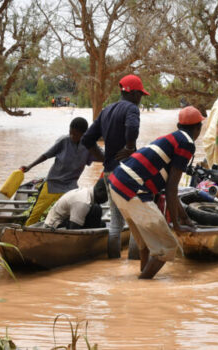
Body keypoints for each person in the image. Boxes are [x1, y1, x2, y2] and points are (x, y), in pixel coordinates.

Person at [108, 106, 204, 279]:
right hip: (133, 188)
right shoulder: (187, 143)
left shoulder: (170, 138)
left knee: (146, 243)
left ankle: (143, 290)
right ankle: (141, 285)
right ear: (198, 128)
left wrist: (184, 218)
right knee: (167, 246)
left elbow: (169, 189)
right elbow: (172, 188)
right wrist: (176, 224)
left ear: (178, 125)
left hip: (117, 184)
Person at [81, 74, 147, 259]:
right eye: (140, 94)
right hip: (128, 171)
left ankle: (113, 264)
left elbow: (87, 139)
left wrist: (102, 157)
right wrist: (130, 147)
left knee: (115, 222)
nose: (141, 98)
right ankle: (134, 264)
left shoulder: (106, 110)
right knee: (135, 221)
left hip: (110, 172)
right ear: (133, 93)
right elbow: (132, 128)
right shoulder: (132, 109)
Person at [22, 117, 94, 226]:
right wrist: (30, 166)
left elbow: (102, 157)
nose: (72, 136)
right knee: (36, 213)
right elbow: (46, 155)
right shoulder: (64, 141)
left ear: (84, 134)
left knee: (74, 211)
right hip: (53, 183)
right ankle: (26, 231)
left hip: (70, 186)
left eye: (75, 134)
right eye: (70, 133)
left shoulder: (88, 146)